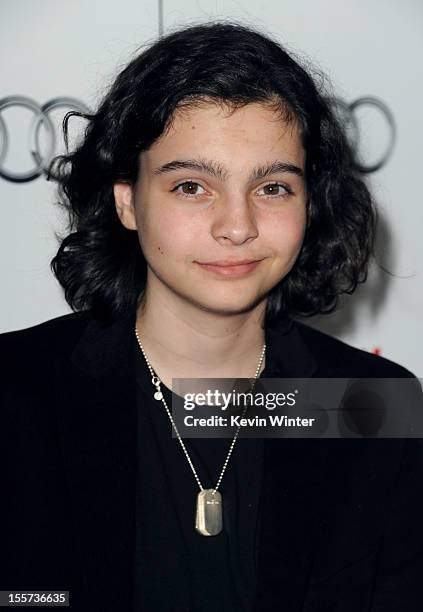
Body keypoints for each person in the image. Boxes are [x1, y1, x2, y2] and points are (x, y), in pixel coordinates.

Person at [0, 21, 422, 612]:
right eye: (192, 186)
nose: (237, 225)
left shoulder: (370, 406)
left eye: (273, 187)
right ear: (128, 200)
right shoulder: (16, 392)